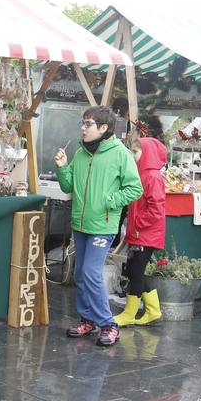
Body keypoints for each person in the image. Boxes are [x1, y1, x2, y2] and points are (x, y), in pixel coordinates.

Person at [54, 106, 142, 347]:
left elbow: (135, 188)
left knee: (91, 273)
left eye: (88, 124)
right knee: (81, 274)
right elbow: (67, 186)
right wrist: (62, 167)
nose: (83, 128)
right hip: (81, 224)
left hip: (102, 225)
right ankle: (88, 319)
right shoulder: (81, 153)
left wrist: (110, 201)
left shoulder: (120, 154)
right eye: (82, 123)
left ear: (104, 128)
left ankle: (108, 323)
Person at [114, 119, 168, 327]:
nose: (133, 156)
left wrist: (138, 225)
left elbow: (156, 209)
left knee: (136, 270)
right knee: (135, 270)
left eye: (136, 152)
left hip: (146, 233)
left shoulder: (152, 177)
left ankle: (129, 313)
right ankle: (153, 310)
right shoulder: (140, 174)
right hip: (140, 232)